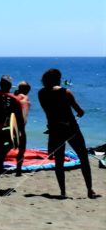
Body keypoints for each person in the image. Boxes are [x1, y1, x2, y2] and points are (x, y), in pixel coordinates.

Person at [38, 68, 99, 199]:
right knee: (83, 157)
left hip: (54, 129)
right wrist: (80, 113)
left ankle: (63, 191)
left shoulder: (41, 93)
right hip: (70, 129)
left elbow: (48, 110)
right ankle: (89, 189)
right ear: (57, 79)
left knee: (59, 162)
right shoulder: (66, 92)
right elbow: (79, 110)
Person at [13, 80, 31, 175]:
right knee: (22, 149)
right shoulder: (23, 98)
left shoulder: (14, 96)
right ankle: (18, 171)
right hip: (19, 126)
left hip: (12, 125)